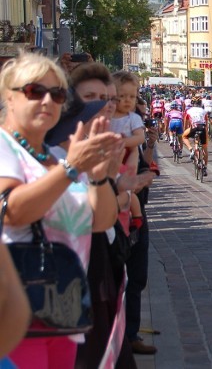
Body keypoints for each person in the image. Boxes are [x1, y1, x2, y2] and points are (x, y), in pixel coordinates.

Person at [0, 52, 121, 368]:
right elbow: (12, 211)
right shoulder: (4, 146)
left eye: (57, 94)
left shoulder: (55, 155)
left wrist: (95, 175)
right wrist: (71, 168)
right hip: (17, 306)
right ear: (9, 98)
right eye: (34, 91)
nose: (47, 101)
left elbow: (101, 222)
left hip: (62, 304)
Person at [183, 98, 209, 176]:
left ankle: (191, 150)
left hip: (194, 127)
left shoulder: (189, 111)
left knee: (184, 136)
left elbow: (186, 122)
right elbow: (206, 123)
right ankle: (205, 167)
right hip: (203, 128)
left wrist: (185, 130)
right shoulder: (204, 111)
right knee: (205, 149)